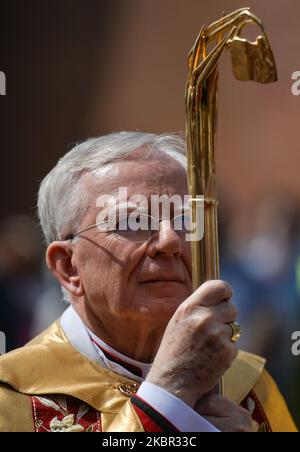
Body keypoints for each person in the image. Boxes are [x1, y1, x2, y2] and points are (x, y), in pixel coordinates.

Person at [0, 132, 296, 432]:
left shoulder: (248, 385)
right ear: (68, 266)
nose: (170, 241)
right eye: (133, 222)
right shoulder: (12, 399)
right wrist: (167, 398)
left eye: (185, 220)